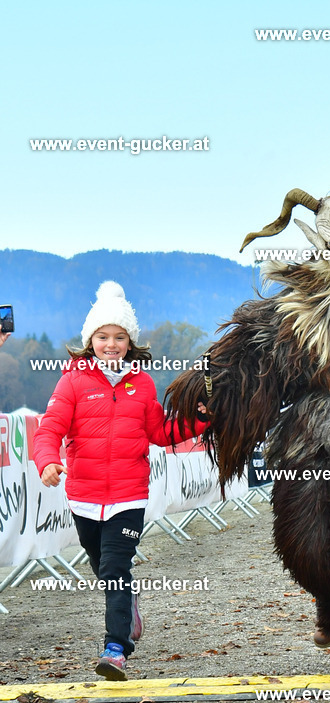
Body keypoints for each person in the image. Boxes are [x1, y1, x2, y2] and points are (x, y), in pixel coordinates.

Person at [34, 281, 208, 681]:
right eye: (103, 336)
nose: (111, 344)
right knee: (103, 567)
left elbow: (161, 433)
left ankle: (116, 649)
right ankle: (127, 607)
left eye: (119, 336)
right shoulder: (73, 381)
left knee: (115, 567)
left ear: (130, 341)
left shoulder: (142, 384)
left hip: (129, 497)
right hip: (84, 496)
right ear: (90, 340)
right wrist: (47, 462)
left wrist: (202, 418)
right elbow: (48, 430)